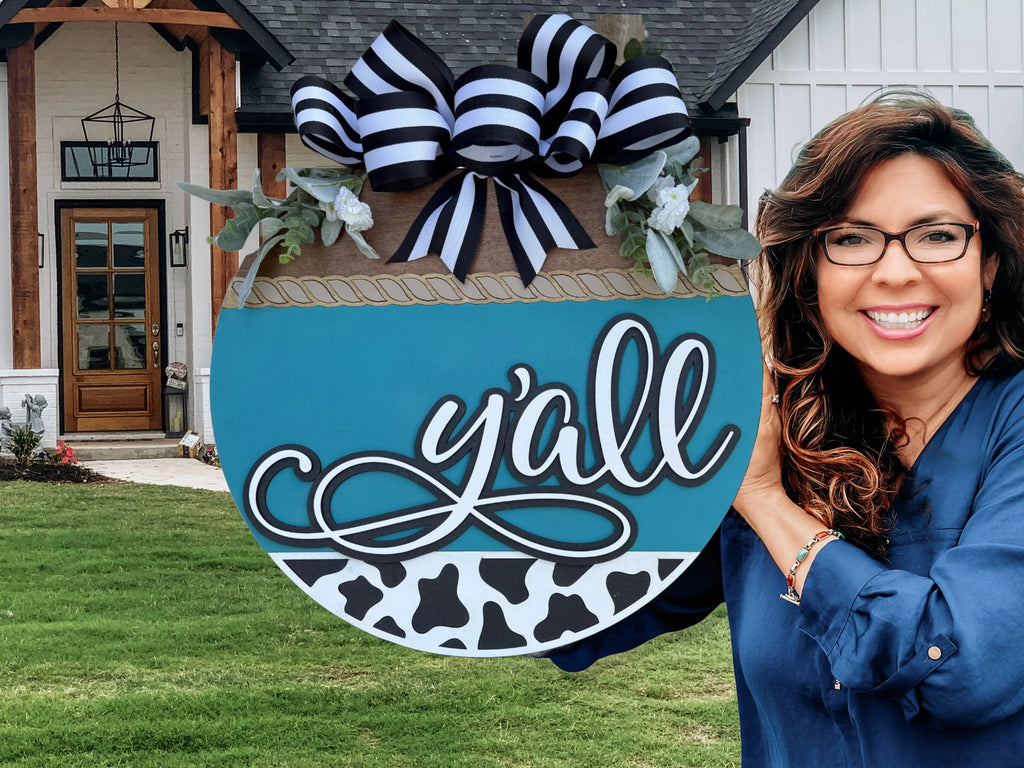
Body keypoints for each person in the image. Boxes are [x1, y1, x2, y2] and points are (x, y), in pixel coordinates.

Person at [547, 90, 1024, 766]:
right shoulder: (776, 426)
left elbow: (959, 668)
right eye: (851, 239)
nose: (894, 271)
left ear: (991, 262)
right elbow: (578, 616)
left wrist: (768, 503)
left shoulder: (1010, 427)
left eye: (937, 235)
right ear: (810, 271)